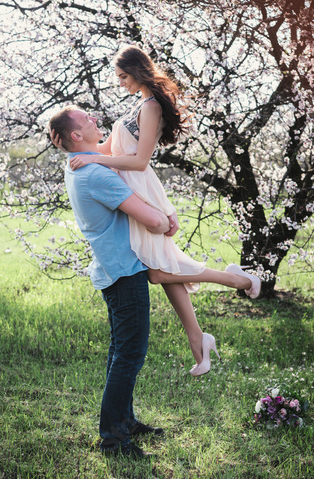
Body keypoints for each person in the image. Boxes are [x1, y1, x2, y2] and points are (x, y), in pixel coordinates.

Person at [52, 46, 261, 377]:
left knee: (159, 271)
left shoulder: (150, 107)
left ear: (136, 71)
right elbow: (108, 148)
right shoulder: (137, 104)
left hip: (140, 188)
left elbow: (139, 161)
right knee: (162, 268)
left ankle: (237, 279)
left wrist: (96, 160)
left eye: (123, 76)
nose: (120, 83)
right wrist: (72, 148)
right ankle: (199, 339)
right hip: (132, 190)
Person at [49, 105, 177, 458]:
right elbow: (152, 221)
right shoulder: (96, 175)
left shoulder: (79, 167)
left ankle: (124, 421)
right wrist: (166, 219)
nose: (93, 118)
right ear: (77, 136)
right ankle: (113, 439)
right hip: (124, 271)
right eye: (85, 119)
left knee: (120, 350)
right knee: (130, 354)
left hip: (111, 269)